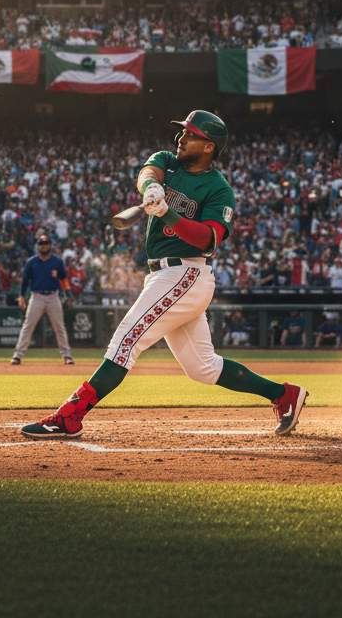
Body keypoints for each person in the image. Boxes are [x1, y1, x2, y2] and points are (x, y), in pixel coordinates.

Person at [21, 110, 307, 439]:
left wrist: (168, 212)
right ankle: (285, 395)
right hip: (164, 275)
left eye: (191, 135)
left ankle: (70, 416)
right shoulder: (168, 162)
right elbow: (147, 171)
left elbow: (207, 240)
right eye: (183, 133)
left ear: (210, 146)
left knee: (126, 341)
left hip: (187, 273)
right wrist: (152, 188)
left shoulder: (219, 189)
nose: (182, 139)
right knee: (203, 368)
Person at [9, 233, 74, 365]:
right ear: (37, 246)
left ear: (50, 245)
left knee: (59, 327)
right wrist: (21, 296)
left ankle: (67, 355)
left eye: (45, 244)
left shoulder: (57, 261)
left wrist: (68, 295)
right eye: (41, 244)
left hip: (53, 297)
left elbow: (63, 280)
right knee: (28, 326)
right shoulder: (32, 262)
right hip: (37, 297)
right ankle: (17, 355)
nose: (43, 246)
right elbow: (25, 281)